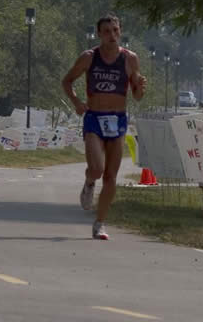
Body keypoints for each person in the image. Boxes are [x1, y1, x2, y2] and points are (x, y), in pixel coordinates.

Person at [62, 14, 147, 240]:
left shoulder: (130, 59)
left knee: (111, 176)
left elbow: (137, 96)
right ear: (99, 34)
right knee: (98, 169)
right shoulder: (89, 57)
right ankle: (90, 181)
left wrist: (140, 88)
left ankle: (100, 223)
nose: (112, 35)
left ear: (120, 32)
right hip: (94, 118)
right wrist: (77, 102)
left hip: (117, 120)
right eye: (107, 31)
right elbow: (67, 80)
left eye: (116, 30)